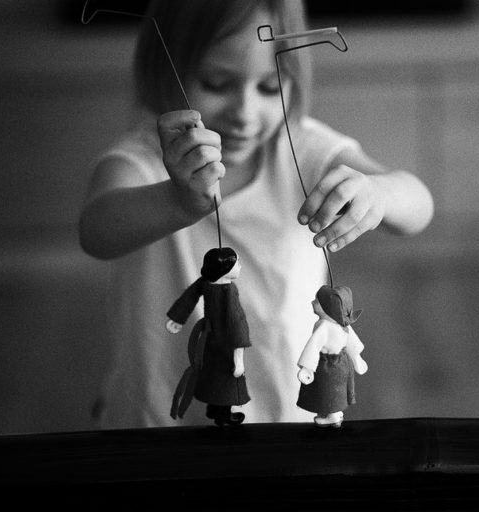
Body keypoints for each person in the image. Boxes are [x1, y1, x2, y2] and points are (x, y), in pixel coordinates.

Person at [79, 0, 434, 428]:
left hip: (285, 416)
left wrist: (380, 193)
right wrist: (178, 202)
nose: (244, 113)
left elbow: (419, 205)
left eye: (269, 87)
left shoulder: (306, 148)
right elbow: (96, 231)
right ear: (164, 67)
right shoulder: (141, 160)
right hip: (156, 424)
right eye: (216, 82)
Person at [168, 247, 250, 426]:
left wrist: (178, 318)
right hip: (225, 342)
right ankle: (222, 412)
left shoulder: (207, 284)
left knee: (213, 374)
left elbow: (190, 296)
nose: (241, 267)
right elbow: (238, 322)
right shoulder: (228, 291)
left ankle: (215, 408)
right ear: (225, 269)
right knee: (225, 377)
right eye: (237, 264)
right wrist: (239, 356)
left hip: (210, 339)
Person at [297, 285, 368, 428]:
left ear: (328, 308)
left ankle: (332, 415)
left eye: (317, 301)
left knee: (326, 389)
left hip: (327, 365)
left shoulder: (323, 326)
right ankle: (334, 412)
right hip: (342, 363)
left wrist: (307, 367)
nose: (313, 303)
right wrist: (356, 359)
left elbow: (313, 346)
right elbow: (352, 344)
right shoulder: (344, 326)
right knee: (337, 389)